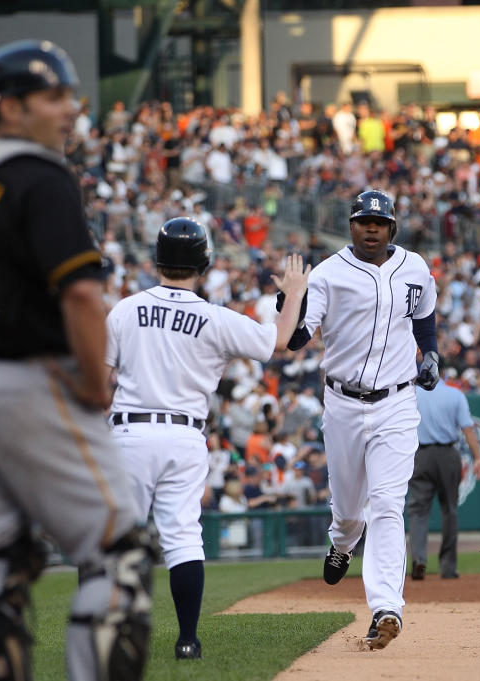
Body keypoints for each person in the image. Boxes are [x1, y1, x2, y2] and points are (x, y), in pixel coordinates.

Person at [0, 40, 155, 681]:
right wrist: (95, 384)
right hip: (34, 382)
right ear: (12, 107)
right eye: (56, 96)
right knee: (118, 555)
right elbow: (79, 292)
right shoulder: (41, 177)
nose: (71, 109)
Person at [105, 216, 309, 660]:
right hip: (184, 437)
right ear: (204, 263)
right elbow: (278, 341)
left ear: (157, 258)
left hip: (129, 432)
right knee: (182, 537)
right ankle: (187, 640)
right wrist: (293, 293)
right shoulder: (214, 317)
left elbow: (100, 379)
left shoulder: (124, 309)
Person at [286, 189, 439, 650]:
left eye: (380, 222)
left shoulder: (414, 267)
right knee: (350, 509)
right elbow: (296, 340)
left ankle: (386, 608)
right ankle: (341, 543)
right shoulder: (328, 275)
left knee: (389, 505)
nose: (371, 228)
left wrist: (430, 353)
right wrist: (288, 303)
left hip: (396, 403)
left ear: (392, 228)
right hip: (344, 404)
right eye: (363, 221)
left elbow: (424, 315)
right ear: (350, 226)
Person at [406, 378, 480, 580]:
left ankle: (419, 561)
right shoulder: (454, 394)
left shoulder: (411, 394)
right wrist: (477, 458)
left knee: (417, 512)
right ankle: (448, 567)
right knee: (449, 510)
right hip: (447, 455)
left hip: (420, 455)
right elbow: (468, 429)